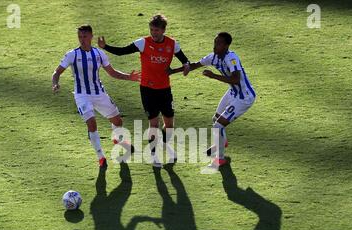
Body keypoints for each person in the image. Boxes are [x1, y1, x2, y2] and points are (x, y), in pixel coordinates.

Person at [98, 14, 191, 167]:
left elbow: (185, 60)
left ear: (163, 30)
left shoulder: (172, 44)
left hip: (165, 89)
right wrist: (105, 47)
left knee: (169, 124)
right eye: (151, 30)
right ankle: (154, 155)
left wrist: (185, 66)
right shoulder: (143, 43)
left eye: (156, 30)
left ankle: (166, 146)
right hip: (147, 90)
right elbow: (122, 52)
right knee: (153, 123)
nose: (153, 33)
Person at [52, 24, 141, 168]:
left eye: (85, 36)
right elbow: (56, 72)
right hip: (82, 95)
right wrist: (55, 83)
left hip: (99, 93)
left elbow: (112, 72)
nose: (82, 40)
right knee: (92, 123)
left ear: (91, 36)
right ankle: (101, 157)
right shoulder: (72, 54)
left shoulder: (99, 54)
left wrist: (128, 77)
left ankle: (117, 139)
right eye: (80, 37)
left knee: (118, 121)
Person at [170, 32, 256, 168]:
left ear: (227, 46)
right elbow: (194, 65)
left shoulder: (231, 58)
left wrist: (213, 76)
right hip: (232, 92)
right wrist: (171, 71)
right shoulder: (213, 57)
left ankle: (220, 159)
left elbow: (236, 79)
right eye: (215, 42)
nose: (215, 46)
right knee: (215, 119)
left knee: (218, 125)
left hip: (244, 97)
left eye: (219, 43)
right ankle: (222, 143)